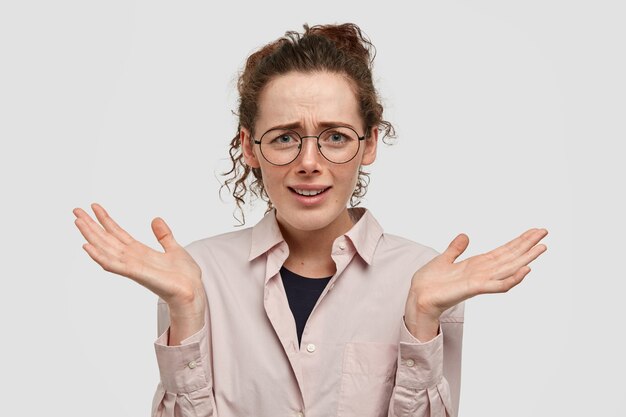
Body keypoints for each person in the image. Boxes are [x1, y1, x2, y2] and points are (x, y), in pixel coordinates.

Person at [72, 23, 548, 417]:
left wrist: (422, 316)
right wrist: (187, 309)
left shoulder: (426, 281)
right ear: (249, 146)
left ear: (369, 144)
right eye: (284, 138)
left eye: (335, 137)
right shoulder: (195, 275)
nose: (309, 162)